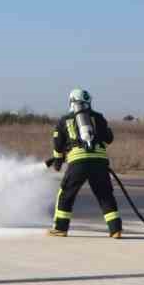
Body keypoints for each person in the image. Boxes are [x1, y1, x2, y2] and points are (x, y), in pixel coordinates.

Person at [45, 88, 122, 238]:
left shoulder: (64, 120)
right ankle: (115, 229)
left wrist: (58, 161)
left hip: (78, 162)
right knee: (105, 195)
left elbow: (57, 144)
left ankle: (60, 228)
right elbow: (109, 139)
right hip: (99, 162)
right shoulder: (99, 117)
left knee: (66, 194)